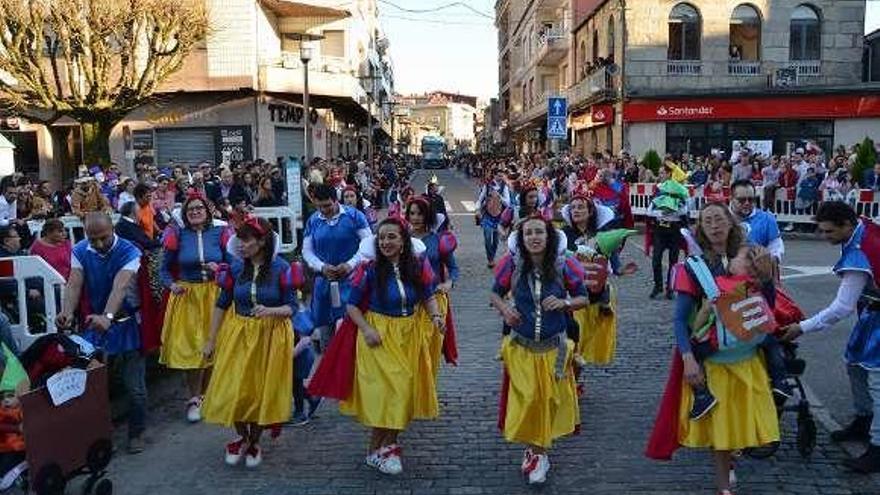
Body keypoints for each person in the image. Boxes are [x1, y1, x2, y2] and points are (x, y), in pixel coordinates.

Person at [646, 203, 779, 495]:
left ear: (731, 223)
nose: (715, 225)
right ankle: (723, 488)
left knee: (740, 427)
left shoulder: (751, 256)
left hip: (747, 360)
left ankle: (732, 457)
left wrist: (767, 277)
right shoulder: (692, 268)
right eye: (708, 221)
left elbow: (769, 305)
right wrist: (688, 360)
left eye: (720, 218)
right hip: (714, 362)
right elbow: (680, 320)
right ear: (701, 229)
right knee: (720, 434)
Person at [780, 202, 880, 473]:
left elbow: (841, 308)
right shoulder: (862, 228)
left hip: (876, 314)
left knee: (877, 380)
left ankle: (878, 447)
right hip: (873, 312)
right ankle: (863, 420)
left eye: (828, 231)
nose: (823, 237)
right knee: (855, 365)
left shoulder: (859, 252)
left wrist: (802, 327)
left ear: (846, 225)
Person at [340, 217, 445, 475]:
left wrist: (436, 316)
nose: (386, 242)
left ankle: (378, 449)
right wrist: (366, 329)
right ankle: (388, 447)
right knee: (391, 393)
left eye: (392, 237)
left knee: (404, 392)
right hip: (380, 335)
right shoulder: (370, 270)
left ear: (403, 241)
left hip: (408, 334)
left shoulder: (417, 266)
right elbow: (352, 306)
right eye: (382, 238)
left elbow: (428, 295)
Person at [489, 215, 588, 485]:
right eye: (528, 233)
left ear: (549, 237)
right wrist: (506, 310)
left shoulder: (564, 263)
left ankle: (539, 454)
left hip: (553, 349)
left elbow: (583, 298)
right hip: (521, 348)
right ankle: (536, 451)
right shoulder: (512, 264)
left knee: (547, 402)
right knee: (530, 401)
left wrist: (565, 302)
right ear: (521, 239)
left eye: (539, 233)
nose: (534, 237)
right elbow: (494, 293)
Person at [201, 216, 302, 469]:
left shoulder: (282, 268)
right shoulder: (235, 269)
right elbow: (221, 305)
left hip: (270, 336)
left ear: (262, 241)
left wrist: (270, 311)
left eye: (246, 239)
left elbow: (292, 307)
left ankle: (255, 440)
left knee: (259, 390)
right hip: (238, 333)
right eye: (240, 239)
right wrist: (210, 340)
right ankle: (242, 436)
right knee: (233, 387)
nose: (241, 244)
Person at [56, 213, 147, 454]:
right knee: (91, 386)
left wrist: (107, 317)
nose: (97, 244)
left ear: (113, 229)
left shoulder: (130, 251)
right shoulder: (80, 249)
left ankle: (136, 433)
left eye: (103, 238)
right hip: (95, 324)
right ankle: (98, 439)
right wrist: (66, 312)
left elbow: (121, 285)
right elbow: (74, 282)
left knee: (134, 387)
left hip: (127, 324)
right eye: (92, 238)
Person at [159, 194, 231, 423]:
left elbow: (234, 265)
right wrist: (172, 285)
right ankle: (193, 398)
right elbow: (163, 270)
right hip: (188, 297)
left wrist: (220, 268)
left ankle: (207, 395)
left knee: (214, 345)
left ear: (207, 211)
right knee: (192, 350)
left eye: (199, 208)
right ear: (185, 214)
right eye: (190, 209)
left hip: (214, 295)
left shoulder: (220, 232)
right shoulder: (178, 235)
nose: (195, 212)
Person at [302, 184, 371, 352]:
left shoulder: (355, 217)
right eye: (319, 206)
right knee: (326, 329)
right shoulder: (313, 220)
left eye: (327, 205)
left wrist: (350, 264)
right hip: (324, 282)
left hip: (351, 281)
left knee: (350, 326)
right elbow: (306, 250)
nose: (323, 210)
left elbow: (368, 246)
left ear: (335, 200)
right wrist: (321, 266)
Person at [406, 198, 459, 398]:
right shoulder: (401, 239)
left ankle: (427, 390)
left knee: (431, 348)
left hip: (436, 301)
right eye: (412, 213)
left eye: (420, 213)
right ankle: (413, 389)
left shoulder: (438, 240)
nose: (416, 218)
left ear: (427, 216)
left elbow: (453, 268)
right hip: (410, 302)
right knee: (413, 349)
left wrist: (449, 283)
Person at [647, 167, 689, 299]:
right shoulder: (658, 190)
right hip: (660, 229)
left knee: (673, 261)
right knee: (656, 259)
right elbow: (649, 211)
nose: (660, 175)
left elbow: (685, 209)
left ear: (669, 174)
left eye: (662, 173)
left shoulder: (679, 189)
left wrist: (672, 211)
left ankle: (670, 288)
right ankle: (658, 286)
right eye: (659, 173)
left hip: (674, 229)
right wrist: (661, 212)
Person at [729, 180, 784, 262]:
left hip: (758, 268)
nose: (747, 203)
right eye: (741, 200)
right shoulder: (722, 218)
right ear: (732, 199)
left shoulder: (767, 219)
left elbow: (776, 246)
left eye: (751, 199)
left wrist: (772, 260)